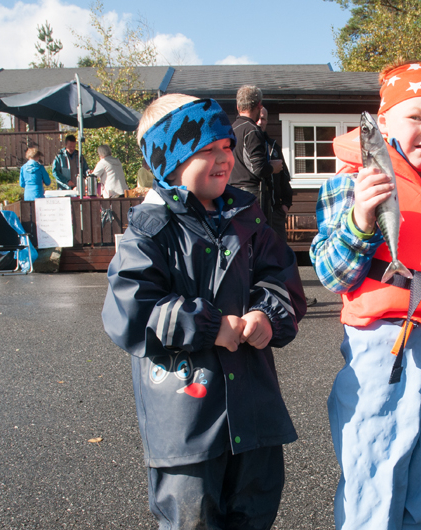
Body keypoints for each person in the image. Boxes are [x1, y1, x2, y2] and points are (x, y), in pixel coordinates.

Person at [102, 94, 307, 530]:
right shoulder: (150, 229)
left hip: (253, 411)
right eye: (206, 150)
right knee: (192, 516)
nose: (223, 158)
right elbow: (132, 307)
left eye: (227, 146)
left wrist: (266, 314)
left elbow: (281, 274)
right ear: (170, 162)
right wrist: (211, 326)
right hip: (187, 422)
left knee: (256, 507)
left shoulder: (247, 216)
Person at [310, 61, 421, 530]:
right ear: (384, 121)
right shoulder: (350, 181)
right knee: (375, 473)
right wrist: (360, 221)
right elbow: (331, 274)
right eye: (415, 117)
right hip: (383, 348)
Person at [229, 85, 282, 221]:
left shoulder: (231, 130)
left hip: (231, 194)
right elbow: (258, 168)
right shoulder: (252, 130)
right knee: (257, 234)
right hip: (250, 196)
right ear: (259, 105)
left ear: (238, 107)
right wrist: (273, 167)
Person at [256, 107, 293, 242]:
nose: (260, 122)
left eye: (263, 119)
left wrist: (285, 206)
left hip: (275, 212)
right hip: (254, 212)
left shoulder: (273, 147)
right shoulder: (244, 145)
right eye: (257, 118)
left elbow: (284, 177)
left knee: (280, 252)